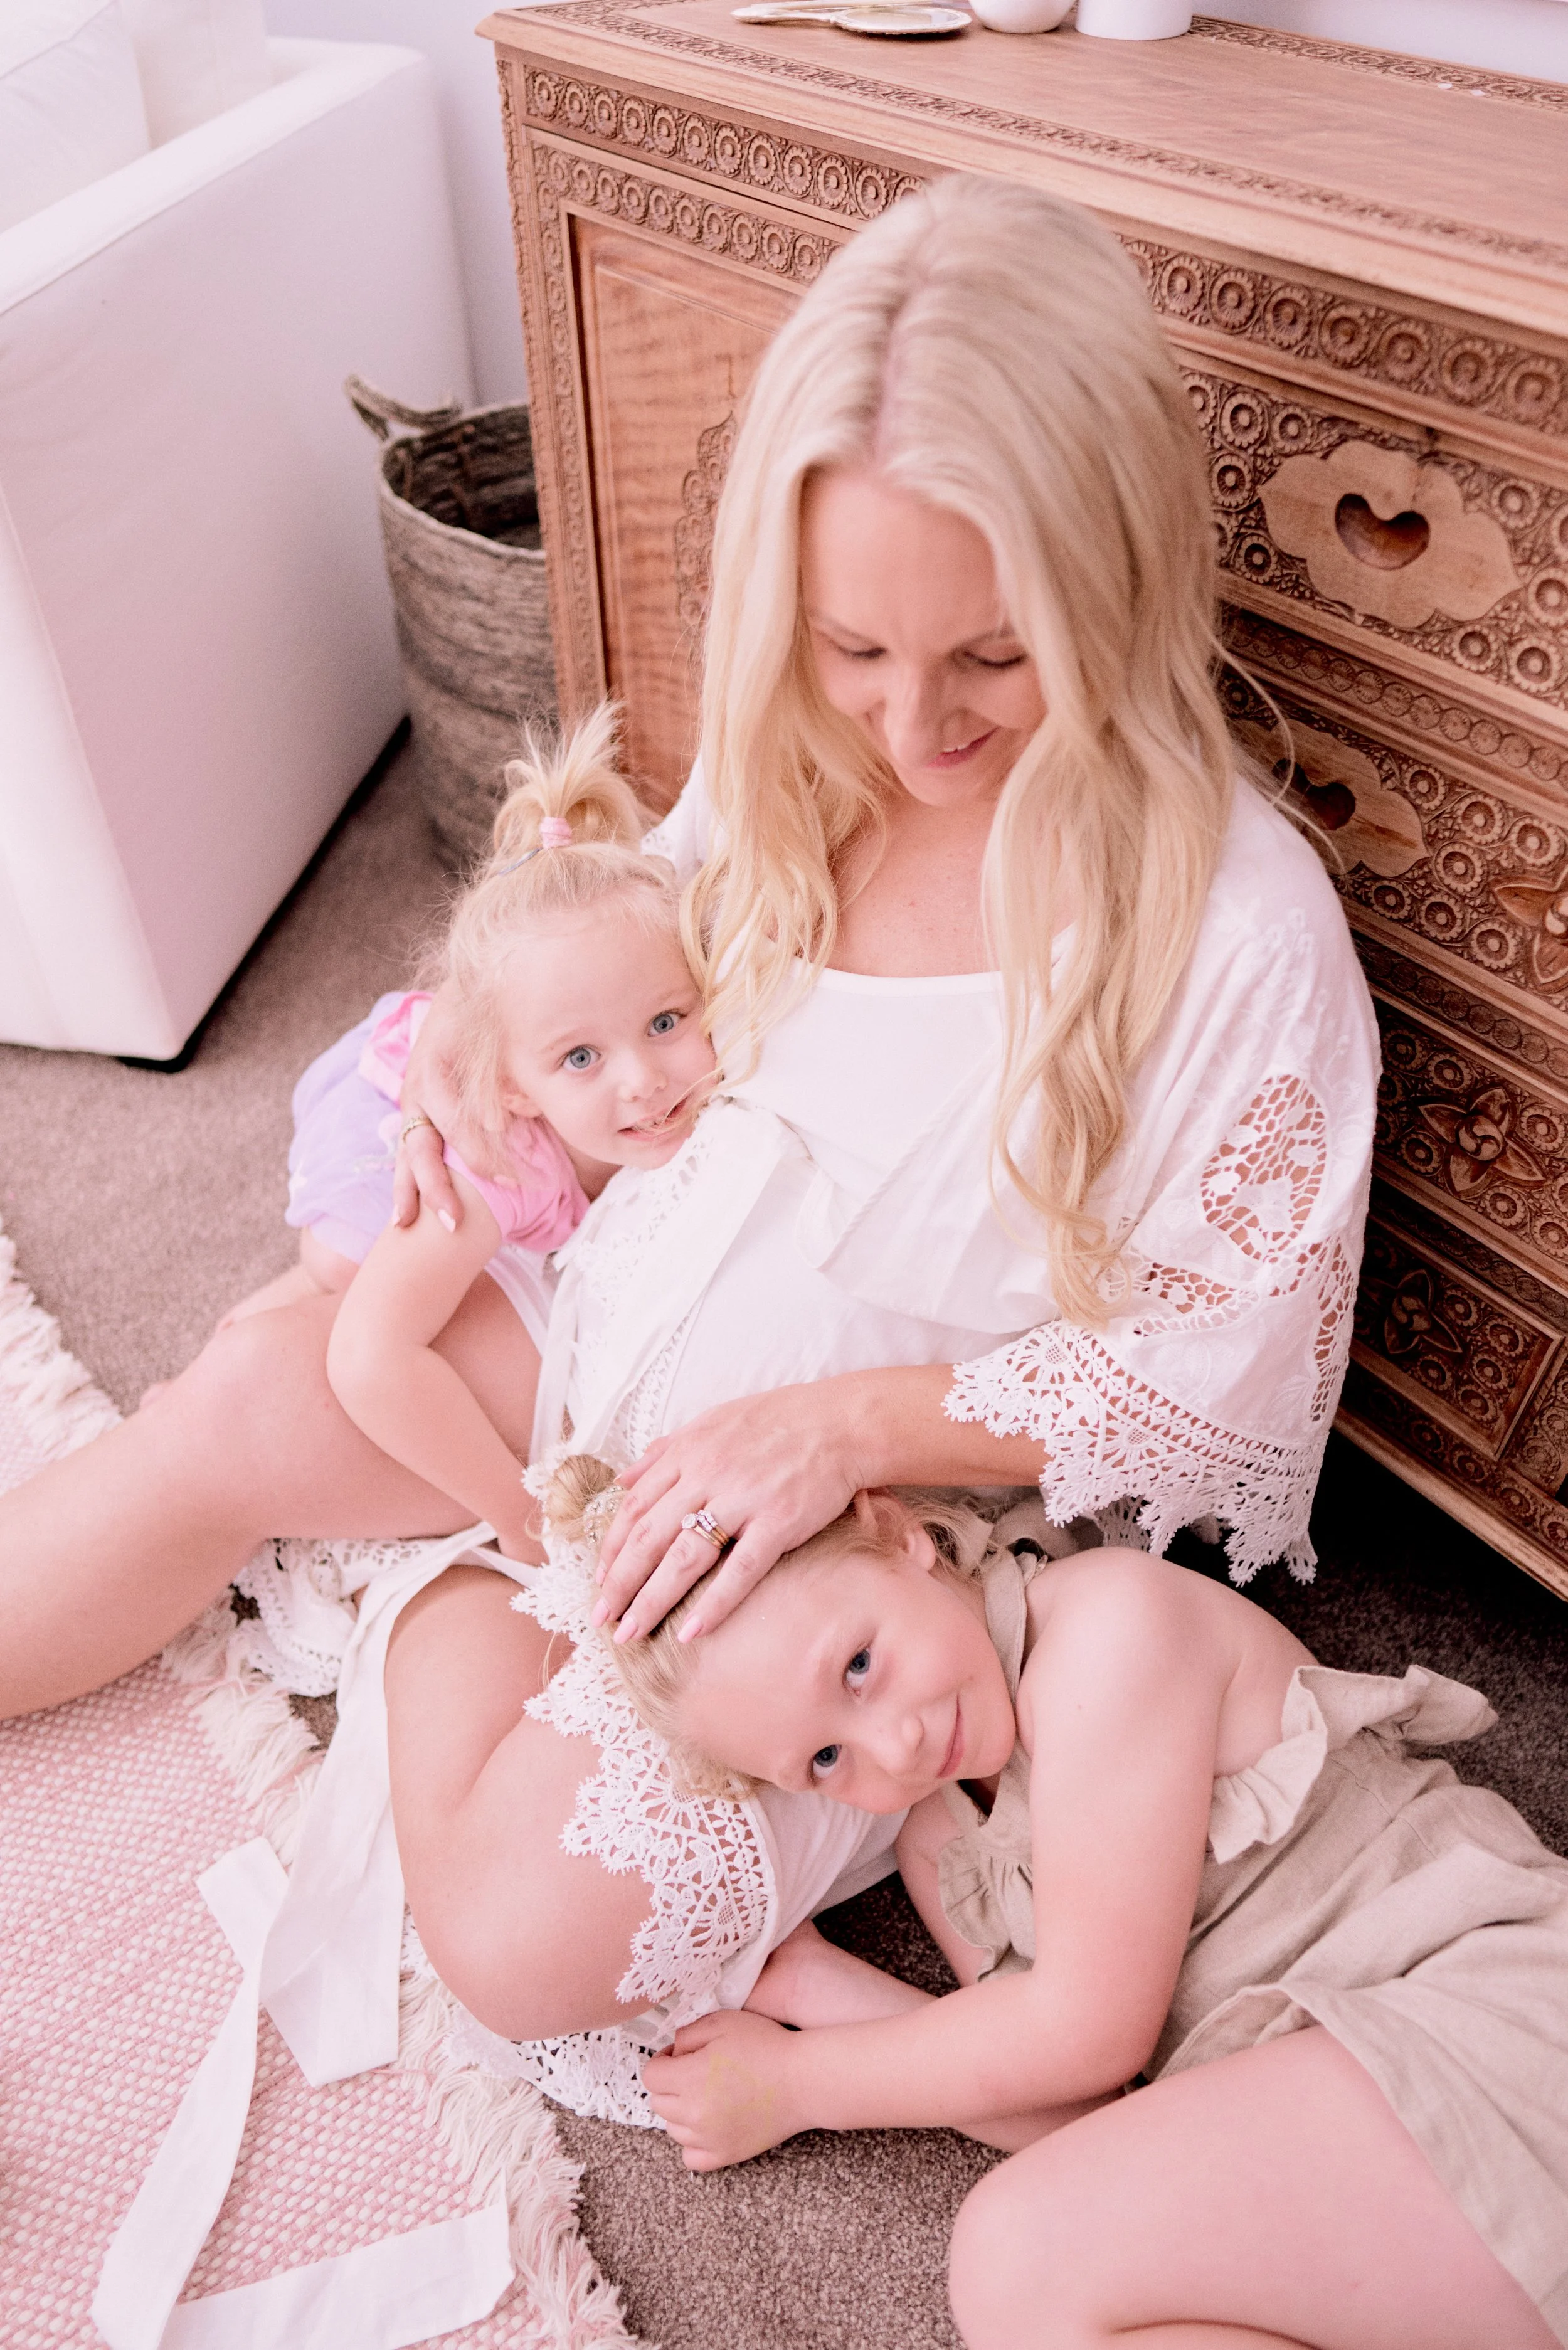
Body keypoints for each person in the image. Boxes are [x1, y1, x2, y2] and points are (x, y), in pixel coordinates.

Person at [0, 172, 1379, 2104]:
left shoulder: (1236, 931)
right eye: (853, 649)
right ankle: (476, 1586)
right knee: (248, 1392)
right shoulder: (798, 757)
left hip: (876, 1514)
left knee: (516, 1934)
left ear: (1113, 575)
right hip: (624, 1297)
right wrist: (480, 1074)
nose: (912, 724)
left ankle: (492, 1633)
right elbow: (635, 923)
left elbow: (1224, 1381)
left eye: (991, 654)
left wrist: (844, 1430)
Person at [563, 1459, 1568, 2350]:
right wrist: (830, 1990)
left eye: (860, 1666)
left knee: (1015, 2257)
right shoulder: (940, 1828)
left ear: (904, 1539)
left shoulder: (1105, 1629)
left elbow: (1088, 2029)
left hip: (1484, 2017)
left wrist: (800, 2083)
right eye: (826, 1759)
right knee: (1034, 2289)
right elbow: (1076, 2110)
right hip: (1336, 2094)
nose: (895, 1746)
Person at [204, 707, 716, 1560]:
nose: (643, 1080)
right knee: (345, 1269)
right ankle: (222, 1344)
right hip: (378, 1112)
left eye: (666, 1020)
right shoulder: (499, 1155)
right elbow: (370, 1361)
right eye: (583, 1055)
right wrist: (514, 1516)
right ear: (516, 1089)